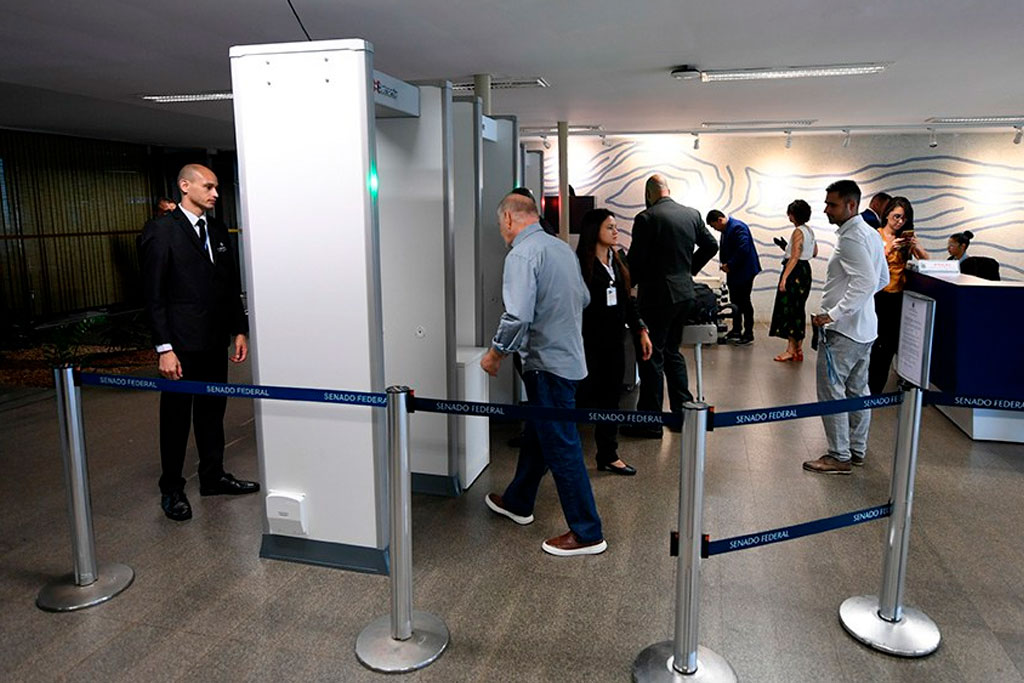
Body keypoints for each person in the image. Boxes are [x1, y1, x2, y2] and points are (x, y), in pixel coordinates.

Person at [481, 192, 607, 557]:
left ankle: (587, 532)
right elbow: (583, 298)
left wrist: (494, 354)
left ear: (508, 219)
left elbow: (518, 315)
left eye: (499, 224)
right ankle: (518, 501)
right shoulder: (560, 248)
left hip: (547, 365)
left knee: (562, 446)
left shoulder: (521, 254)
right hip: (568, 359)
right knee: (539, 434)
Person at [139, 164, 259, 521]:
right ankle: (172, 487)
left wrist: (239, 329)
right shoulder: (161, 232)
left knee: (212, 412)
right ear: (184, 185)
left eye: (217, 187)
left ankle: (212, 476)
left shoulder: (217, 229)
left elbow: (228, 283)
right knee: (176, 419)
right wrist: (164, 348)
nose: (215, 194)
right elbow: (153, 294)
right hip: (180, 345)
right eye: (208, 187)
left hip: (213, 340)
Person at [803, 180, 888, 475]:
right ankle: (856, 449)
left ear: (851, 205)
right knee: (858, 391)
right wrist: (858, 305)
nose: (826, 209)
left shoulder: (851, 238)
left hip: (843, 332)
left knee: (832, 392)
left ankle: (839, 455)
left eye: (832, 204)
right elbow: (881, 279)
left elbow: (866, 281)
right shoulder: (870, 234)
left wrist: (835, 314)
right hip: (864, 330)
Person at [625, 175, 718, 438]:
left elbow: (636, 259)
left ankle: (649, 422)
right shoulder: (691, 214)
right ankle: (681, 415)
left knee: (651, 356)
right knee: (673, 354)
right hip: (685, 294)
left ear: (650, 193)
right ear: (668, 190)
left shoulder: (647, 218)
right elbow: (711, 245)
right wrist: (688, 270)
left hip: (657, 296)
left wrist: (629, 280)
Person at [575, 208, 652, 476]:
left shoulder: (618, 260)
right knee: (579, 398)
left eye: (616, 227)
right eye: (610, 227)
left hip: (614, 343)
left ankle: (608, 454)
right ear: (594, 230)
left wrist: (641, 329)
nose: (616, 231)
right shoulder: (580, 265)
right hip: (586, 344)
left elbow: (628, 301)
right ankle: (563, 457)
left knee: (611, 399)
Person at [868, 196, 929, 395]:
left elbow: (927, 262)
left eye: (903, 218)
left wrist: (916, 246)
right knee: (873, 343)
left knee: (889, 346)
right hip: (877, 296)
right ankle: (865, 388)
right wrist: (888, 250)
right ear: (886, 215)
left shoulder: (904, 239)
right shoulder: (876, 235)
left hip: (897, 297)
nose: (899, 222)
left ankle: (876, 389)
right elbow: (869, 265)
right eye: (896, 217)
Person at [768, 199, 818, 362]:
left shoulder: (797, 231)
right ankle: (798, 349)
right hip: (805, 272)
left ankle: (790, 349)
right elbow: (814, 252)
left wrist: (784, 279)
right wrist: (785, 247)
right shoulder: (809, 231)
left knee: (789, 310)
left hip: (795, 272)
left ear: (793, 215)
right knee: (799, 309)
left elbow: (795, 256)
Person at [707, 210, 762, 344]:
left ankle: (748, 333)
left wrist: (730, 265)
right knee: (735, 301)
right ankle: (736, 330)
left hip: (744, 271)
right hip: (735, 271)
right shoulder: (727, 229)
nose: (715, 229)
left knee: (744, 302)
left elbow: (743, 248)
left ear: (720, 220)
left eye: (714, 226)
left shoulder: (738, 227)